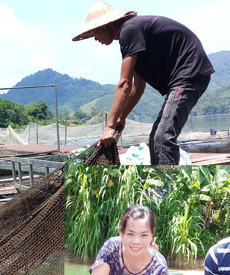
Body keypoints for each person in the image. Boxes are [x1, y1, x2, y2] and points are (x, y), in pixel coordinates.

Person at [73, 1, 214, 165]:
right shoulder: (133, 34)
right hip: (187, 76)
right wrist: (122, 117)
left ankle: (166, 186)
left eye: (94, 32)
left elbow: (124, 84)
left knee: (163, 137)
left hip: (189, 73)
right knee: (156, 137)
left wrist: (110, 126)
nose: (95, 38)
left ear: (104, 26)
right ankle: (161, 180)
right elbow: (137, 87)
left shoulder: (129, 30)